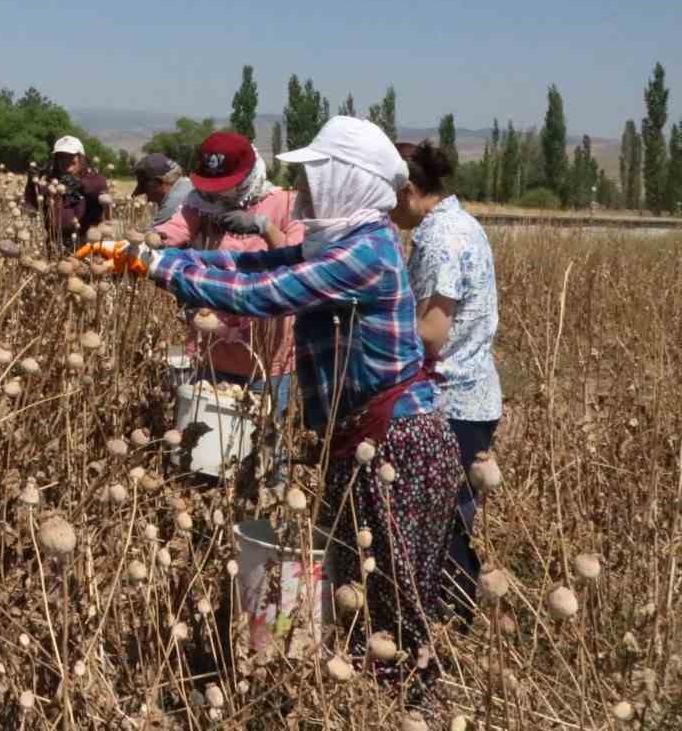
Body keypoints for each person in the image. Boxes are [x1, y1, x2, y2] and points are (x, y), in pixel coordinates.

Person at [138, 117, 458, 707]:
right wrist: (150, 258)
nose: (304, 193)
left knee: (393, 597)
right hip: (360, 439)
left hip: (396, 444)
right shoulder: (338, 241)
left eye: (315, 180)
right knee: (361, 584)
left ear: (345, 182)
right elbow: (255, 267)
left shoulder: (365, 251)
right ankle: (373, 700)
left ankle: (413, 707)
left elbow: (264, 296)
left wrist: (161, 270)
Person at [392, 140, 502, 628]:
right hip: (474, 392)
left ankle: (452, 620)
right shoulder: (464, 224)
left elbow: (433, 333)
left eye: (389, 196)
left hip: (452, 398)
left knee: (443, 523)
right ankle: (454, 619)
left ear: (410, 190)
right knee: (454, 517)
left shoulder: (439, 239)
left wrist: (377, 329)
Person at [154, 132, 303, 414]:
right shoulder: (199, 203)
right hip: (211, 347)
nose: (218, 193)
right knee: (204, 437)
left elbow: (298, 264)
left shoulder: (285, 204)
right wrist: (145, 245)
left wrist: (265, 227)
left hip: (266, 357)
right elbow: (174, 231)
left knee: (264, 442)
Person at [23, 135, 109, 251]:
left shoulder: (94, 178)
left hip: (87, 246)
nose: (65, 160)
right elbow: (32, 204)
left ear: (80, 157)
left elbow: (100, 189)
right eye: (61, 157)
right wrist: (32, 184)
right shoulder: (51, 182)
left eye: (70, 156)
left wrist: (80, 184)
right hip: (55, 246)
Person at [132, 153, 194, 228]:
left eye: (146, 191)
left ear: (157, 183)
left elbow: (149, 234)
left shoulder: (173, 203)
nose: (148, 199)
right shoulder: (188, 183)